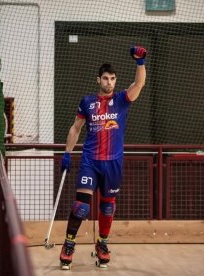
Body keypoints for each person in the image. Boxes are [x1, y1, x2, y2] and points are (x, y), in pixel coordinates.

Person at [59, 45, 147, 269]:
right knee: (81, 207)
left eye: (113, 78)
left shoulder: (122, 100)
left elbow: (139, 84)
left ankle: (102, 244)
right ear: (98, 79)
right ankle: (68, 245)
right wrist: (67, 154)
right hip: (90, 160)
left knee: (108, 208)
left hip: (113, 163)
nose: (109, 82)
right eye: (106, 78)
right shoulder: (87, 102)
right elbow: (75, 128)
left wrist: (140, 61)